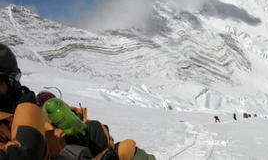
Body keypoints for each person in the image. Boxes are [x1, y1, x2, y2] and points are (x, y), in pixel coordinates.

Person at [0, 43, 156, 160]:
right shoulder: (25, 109)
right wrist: (27, 109)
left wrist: (75, 122)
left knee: (128, 151)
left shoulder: (18, 108)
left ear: (12, 82)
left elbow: (54, 137)